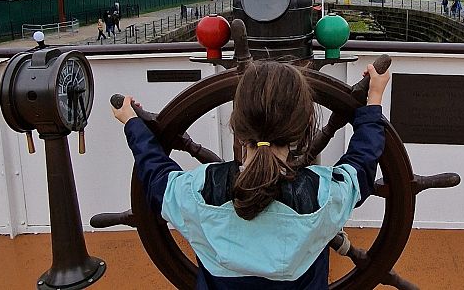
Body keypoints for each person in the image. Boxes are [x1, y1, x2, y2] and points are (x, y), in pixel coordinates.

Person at [113, 61, 390, 288]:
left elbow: (156, 175)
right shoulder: (324, 195)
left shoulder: (198, 191)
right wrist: (373, 98)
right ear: (302, 128)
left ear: (237, 125)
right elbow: (361, 165)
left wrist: (133, 123)